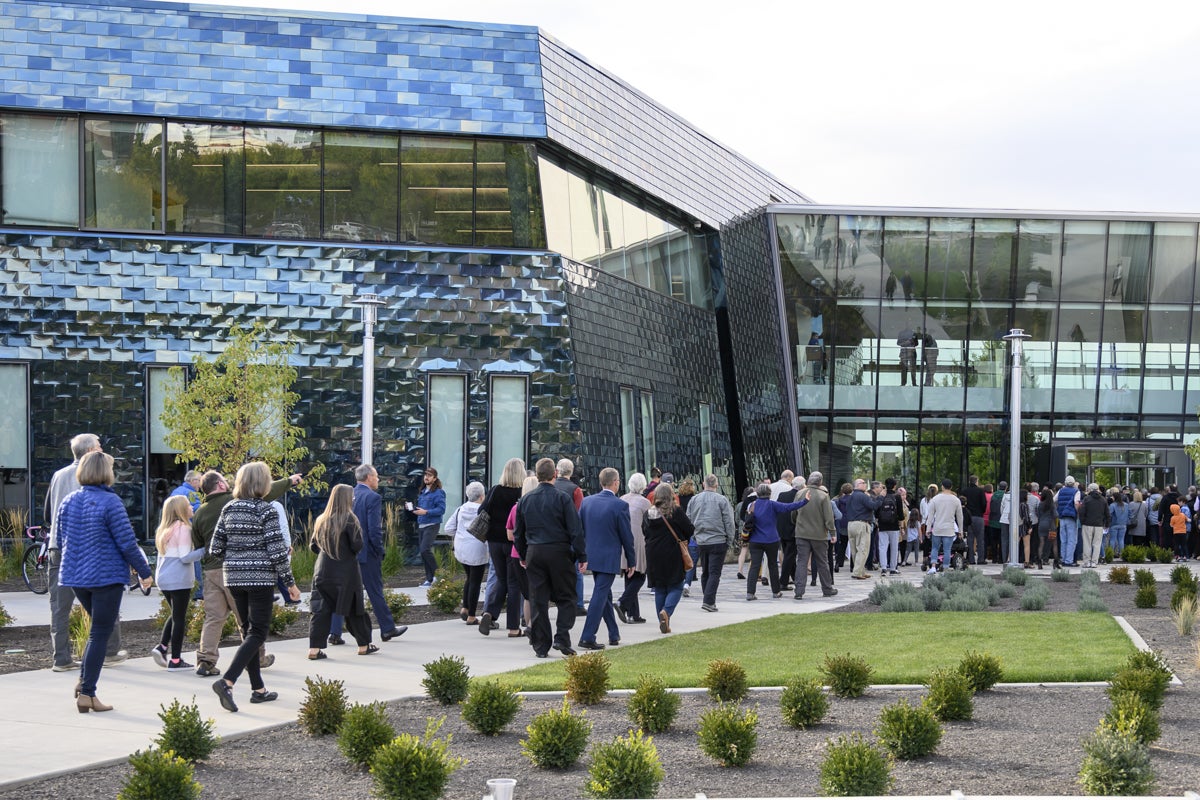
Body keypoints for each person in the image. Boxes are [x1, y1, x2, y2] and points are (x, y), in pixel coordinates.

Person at [56, 451, 153, 712]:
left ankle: (83, 683)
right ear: (106, 473)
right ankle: (87, 693)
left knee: (96, 632)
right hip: (105, 576)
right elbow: (127, 543)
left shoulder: (68, 501)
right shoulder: (111, 502)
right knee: (101, 632)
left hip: (76, 576)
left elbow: (59, 540)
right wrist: (145, 571)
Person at [209, 461, 301, 713]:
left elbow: (215, 549)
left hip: (234, 579)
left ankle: (258, 690)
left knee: (248, 632)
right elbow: (276, 552)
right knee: (258, 633)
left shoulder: (228, 508)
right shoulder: (267, 510)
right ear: (263, 483)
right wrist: (290, 584)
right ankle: (227, 681)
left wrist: (239, 550)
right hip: (259, 578)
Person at [192, 468, 296, 676]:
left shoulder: (200, 512)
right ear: (220, 485)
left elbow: (200, 545)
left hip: (213, 571)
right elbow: (267, 491)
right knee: (247, 619)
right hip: (241, 570)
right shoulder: (235, 501)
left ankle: (206, 660)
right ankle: (257, 658)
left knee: (213, 617)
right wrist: (289, 481)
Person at [45, 433, 126, 672]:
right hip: (86, 548)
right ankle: (110, 651)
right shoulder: (95, 476)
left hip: (57, 547)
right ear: (90, 450)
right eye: (100, 446)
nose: (102, 450)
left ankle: (61, 658)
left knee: (59, 607)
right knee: (107, 597)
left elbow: (48, 513)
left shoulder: (58, 475)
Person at [513, 457, 587, 658]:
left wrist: (522, 553)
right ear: (554, 474)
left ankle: (541, 645)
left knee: (539, 599)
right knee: (567, 596)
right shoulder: (562, 498)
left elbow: (518, 532)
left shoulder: (526, 500)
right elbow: (575, 529)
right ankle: (561, 636)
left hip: (535, 551)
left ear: (537, 476)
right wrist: (581, 555)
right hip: (558, 551)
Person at [331, 464, 407, 643]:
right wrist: (379, 550)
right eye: (376, 476)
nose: (378, 479)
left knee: (342, 592)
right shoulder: (372, 497)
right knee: (375, 591)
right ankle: (387, 628)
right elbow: (374, 530)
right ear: (368, 478)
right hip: (366, 553)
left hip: (345, 553)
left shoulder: (346, 495)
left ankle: (334, 633)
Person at [306, 484, 377, 660]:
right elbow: (357, 545)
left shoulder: (321, 519)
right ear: (346, 498)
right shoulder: (350, 519)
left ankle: (314, 649)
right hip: (346, 571)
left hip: (322, 571)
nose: (354, 499)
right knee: (354, 609)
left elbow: (313, 546)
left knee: (320, 611)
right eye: (352, 497)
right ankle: (363, 645)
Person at [576, 468, 636, 650]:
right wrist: (631, 561)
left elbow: (579, 531)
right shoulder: (619, 505)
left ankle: (613, 633)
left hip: (591, 555)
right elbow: (627, 536)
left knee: (605, 594)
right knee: (600, 594)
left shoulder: (587, 502)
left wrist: (580, 555)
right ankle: (587, 636)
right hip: (609, 557)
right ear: (616, 482)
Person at [151, 495, 204, 670]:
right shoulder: (183, 529)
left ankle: (162, 646)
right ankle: (175, 660)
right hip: (178, 579)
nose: (192, 507)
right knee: (180, 619)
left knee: (175, 614)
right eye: (188, 505)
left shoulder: (165, 529)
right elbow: (185, 557)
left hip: (164, 578)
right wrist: (206, 550)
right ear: (180, 510)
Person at [478, 458, 526, 638]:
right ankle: (513, 627)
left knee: (501, 578)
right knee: (514, 583)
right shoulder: (522, 493)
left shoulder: (495, 491)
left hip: (494, 541)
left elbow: (481, 512)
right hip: (513, 542)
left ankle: (489, 612)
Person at [642, 482, 694, 634]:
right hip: (672, 552)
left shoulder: (648, 513)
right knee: (676, 586)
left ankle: (663, 621)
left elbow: (645, 532)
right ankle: (666, 612)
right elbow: (689, 529)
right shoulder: (675, 511)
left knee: (659, 588)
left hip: (653, 553)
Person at [741, 483, 808, 599]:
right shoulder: (773, 505)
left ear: (757, 493)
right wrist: (805, 501)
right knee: (773, 566)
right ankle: (776, 591)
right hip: (771, 539)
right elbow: (789, 507)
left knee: (754, 566)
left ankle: (750, 593)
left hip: (755, 540)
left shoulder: (752, 505)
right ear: (769, 493)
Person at [685, 473, 736, 613]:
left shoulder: (694, 500)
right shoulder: (722, 500)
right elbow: (729, 522)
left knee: (705, 572)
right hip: (718, 540)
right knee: (714, 573)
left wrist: (694, 536)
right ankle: (708, 600)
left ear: (703, 484)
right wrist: (730, 540)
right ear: (717, 485)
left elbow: (688, 520)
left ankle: (707, 598)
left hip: (701, 540)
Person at [791, 471, 837, 598]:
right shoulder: (823, 496)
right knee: (822, 562)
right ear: (820, 482)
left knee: (801, 562)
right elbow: (828, 517)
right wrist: (832, 532)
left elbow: (793, 512)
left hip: (801, 533)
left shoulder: (800, 493)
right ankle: (827, 589)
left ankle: (799, 592)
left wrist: (797, 523)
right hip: (819, 534)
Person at [447, 481, 488, 624]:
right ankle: (471, 615)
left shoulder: (460, 509)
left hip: (461, 548)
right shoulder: (483, 510)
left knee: (469, 578)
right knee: (476, 581)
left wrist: (460, 534)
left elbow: (448, 528)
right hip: (477, 548)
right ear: (482, 496)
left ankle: (465, 607)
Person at [615, 472, 651, 624]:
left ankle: (633, 614)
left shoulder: (622, 499)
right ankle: (623, 603)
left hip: (623, 541)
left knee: (630, 576)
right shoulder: (645, 503)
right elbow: (649, 526)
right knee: (639, 576)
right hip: (638, 541)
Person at [171, 469, 205, 600]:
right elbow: (198, 512)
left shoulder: (176, 491)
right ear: (193, 481)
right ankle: (197, 592)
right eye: (199, 481)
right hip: (187, 530)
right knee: (194, 559)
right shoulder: (191, 493)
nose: (200, 485)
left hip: (174, 530)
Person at [844, 479, 883, 579]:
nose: (866, 485)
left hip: (851, 524)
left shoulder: (850, 496)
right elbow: (873, 506)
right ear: (858, 485)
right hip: (861, 524)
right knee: (863, 549)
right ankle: (857, 572)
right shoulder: (862, 496)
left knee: (854, 550)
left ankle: (860, 571)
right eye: (863, 483)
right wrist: (881, 497)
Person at [414, 467, 446, 587]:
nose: (426, 477)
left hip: (432, 524)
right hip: (422, 524)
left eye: (429, 475)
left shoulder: (438, 492)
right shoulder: (422, 492)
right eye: (425, 475)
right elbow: (421, 509)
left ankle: (438, 575)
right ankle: (429, 579)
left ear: (435, 478)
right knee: (423, 553)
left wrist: (426, 512)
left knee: (424, 549)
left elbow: (441, 509)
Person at [925, 479, 963, 571]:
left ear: (942, 486)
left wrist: (928, 529)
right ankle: (945, 568)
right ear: (951, 487)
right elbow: (960, 517)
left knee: (934, 548)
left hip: (937, 528)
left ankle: (933, 566)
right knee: (947, 550)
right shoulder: (956, 500)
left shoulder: (935, 499)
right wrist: (960, 530)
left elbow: (930, 516)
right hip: (949, 529)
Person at [875, 477, 905, 575]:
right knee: (894, 547)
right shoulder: (897, 497)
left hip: (883, 525)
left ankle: (883, 567)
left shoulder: (882, 495)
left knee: (882, 547)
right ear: (895, 486)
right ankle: (893, 568)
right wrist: (901, 525)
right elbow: (901, 514)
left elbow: (876, 511)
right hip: (894, 525)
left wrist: (878, 521)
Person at [1079, 482, 1108, 569]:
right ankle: (1094, 562)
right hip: (1099, 524)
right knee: (1097, 544)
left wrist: (1082, 521)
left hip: (1087, 524)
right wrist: (1106, 524)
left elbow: (1082, 512)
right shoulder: (1103, 499)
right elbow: (1107, 513)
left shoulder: (1087, 499)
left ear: (1090, 489)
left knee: (1087, 543)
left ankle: (1087, 562)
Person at [1056, 477, 1082, 567]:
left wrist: (1058, 509)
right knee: (1072, 540)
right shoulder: (1076, 491)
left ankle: (1063, 559)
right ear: (1074, 483)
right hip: (1071, 517)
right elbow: (1076, 503)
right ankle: (1068, 561)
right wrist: (1078, 513)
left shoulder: (1061, 491)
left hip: (1062, 517)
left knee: (1063, 539)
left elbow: (1054, 500)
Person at [962, 475, 988, 565]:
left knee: (970, 538)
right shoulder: (980, 491)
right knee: (980, 539)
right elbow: (984, 503)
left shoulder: (965, 491)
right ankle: (981, 559)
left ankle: (971, 559)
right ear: (976, 481)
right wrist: (981, 511)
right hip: (979, 516)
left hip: (969, 517)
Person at [1107, 491, 1130, 562]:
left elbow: (1109, 514)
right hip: (1123, 524)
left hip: (1114, 524)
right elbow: (1129, 514)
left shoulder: (1112, 505)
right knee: (1121, 540)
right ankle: (1122, 554)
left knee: (1112, 540)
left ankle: (1110, 554)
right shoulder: (1126, 505)